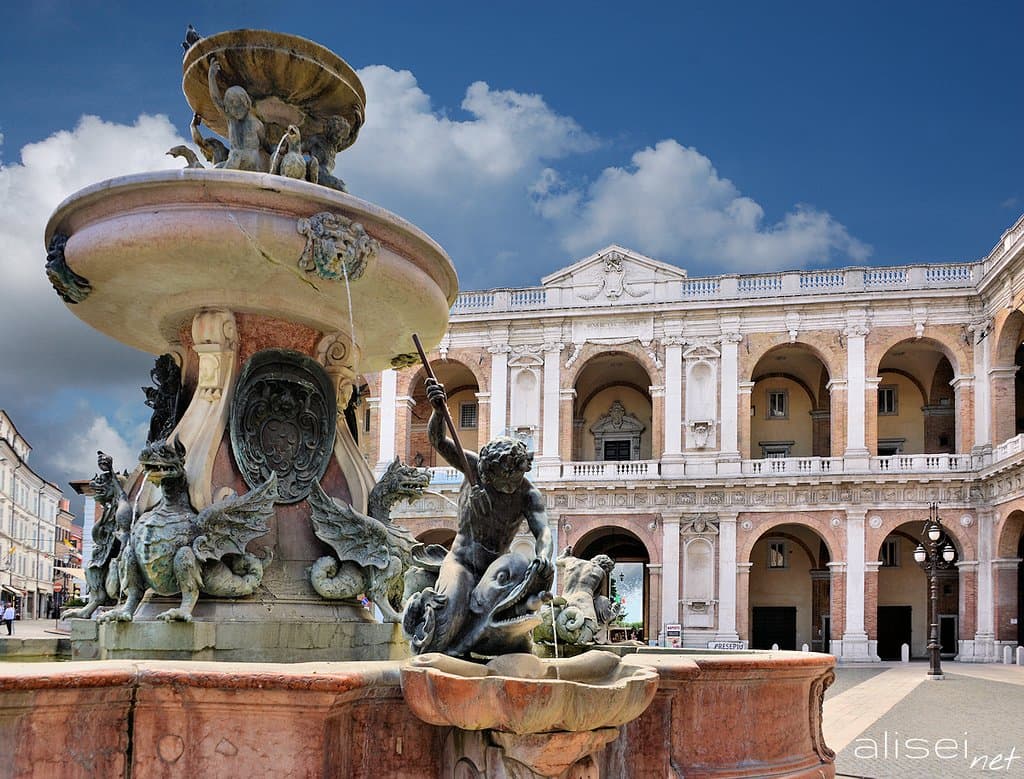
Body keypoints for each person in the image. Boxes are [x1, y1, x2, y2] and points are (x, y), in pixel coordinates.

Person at [404, 378, 553, 654]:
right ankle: (434, 634)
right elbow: (438, 441)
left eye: (511, 481)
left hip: (494, 570)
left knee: (520, 576)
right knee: (447, 617)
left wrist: (543, 556)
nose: (505, 487)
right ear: (487, 471)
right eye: (498, 481)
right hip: (461, 562)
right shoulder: (474, 467)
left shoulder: (528, 494)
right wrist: (438, 411)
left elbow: (543, 531)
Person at [207, 58, 267, 171]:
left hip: (252, 162)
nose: (234, 110)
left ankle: (224, 178)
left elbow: (264, 144)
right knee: (216, 168)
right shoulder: (231, 119)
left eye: (237, 105)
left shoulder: (256, 124)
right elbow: (216, 99)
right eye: (231, 107)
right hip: (234, 160)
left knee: (236, 155)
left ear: (245, 102)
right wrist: (211, 76)